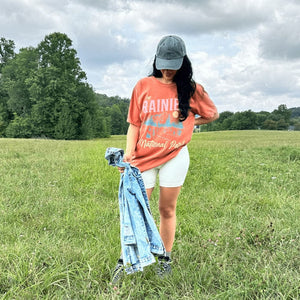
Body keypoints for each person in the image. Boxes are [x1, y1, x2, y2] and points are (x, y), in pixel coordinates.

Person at [113, 35, 219, 281]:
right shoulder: (143, 86)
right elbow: (134, 124)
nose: (167, 69)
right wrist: (129, 153)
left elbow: (212, 114)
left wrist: (189, 121)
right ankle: (125, 259)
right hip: (144, 157)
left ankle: (165, 259)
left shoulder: (192, 89)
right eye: (163, 63)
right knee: (136, 210)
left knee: (167, 208)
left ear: (183, 62)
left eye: (172, 63)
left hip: (175, 155)